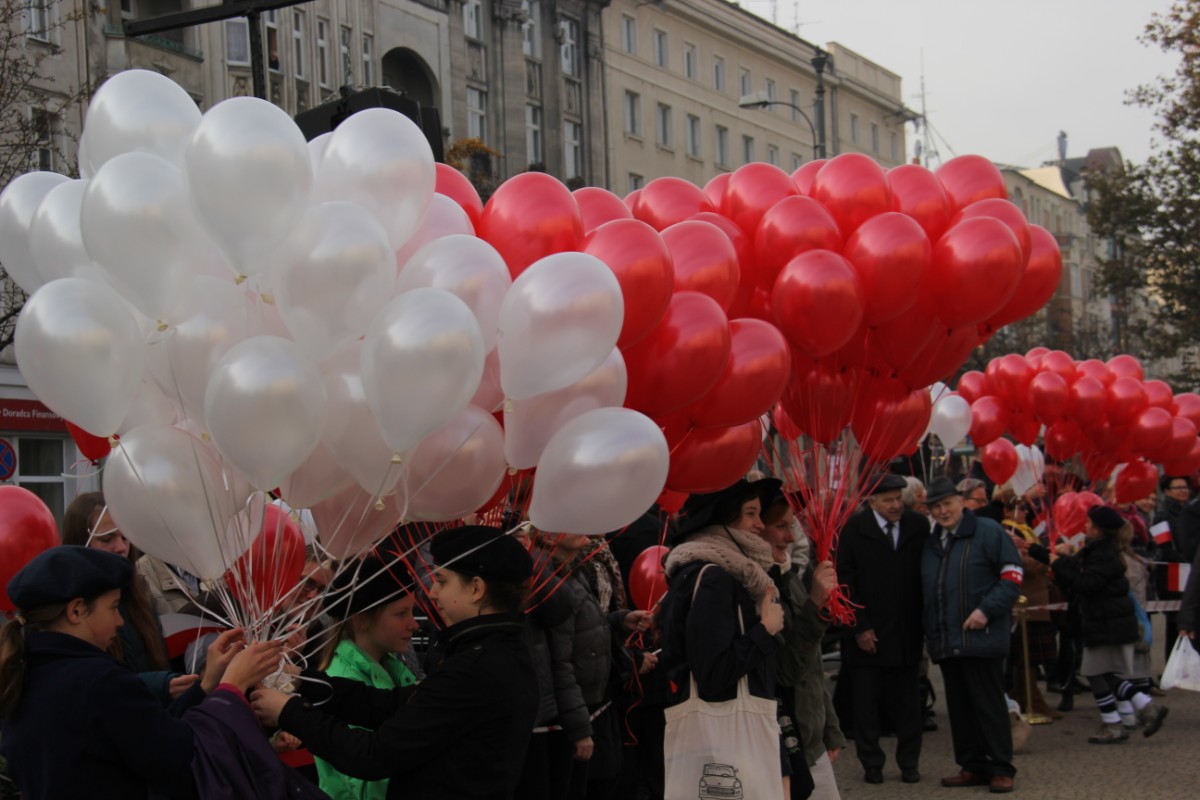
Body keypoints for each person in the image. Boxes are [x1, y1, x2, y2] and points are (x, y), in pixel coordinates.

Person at [252, 525, 539, 800]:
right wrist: (304, 680)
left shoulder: (478, 668)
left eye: (441, 581)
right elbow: (392, 704)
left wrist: (289, 711)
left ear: (476, 589)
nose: (433, 593)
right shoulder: (498, 652)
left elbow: (375, 754)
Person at [0, 546, 287, 799]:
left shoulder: (28, 671)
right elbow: (182, 761)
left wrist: (207, 686)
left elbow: (149, 735)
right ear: (76, 611)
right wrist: (231, 690)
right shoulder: (98, 681)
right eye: (113, 608)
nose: (119, 621)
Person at [658, 479, 790, 795]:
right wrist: (765, 631)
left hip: (725, 732)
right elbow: (713, 672)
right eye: (750, 514)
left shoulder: (723, 572)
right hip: (726, 732)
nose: (760, 524)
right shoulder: (713, 578)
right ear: (722, 521)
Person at [921, 476, 1022, 794]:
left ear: (961, 502)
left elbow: (1011, 576)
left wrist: (985, 611)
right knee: (960, 709)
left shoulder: (989, 531)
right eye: (936, 506)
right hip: (948, 640)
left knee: (989, 706)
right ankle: (972, 766)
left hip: (983, 636)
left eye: (948, 503)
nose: (943, 511)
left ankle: (1001, 768)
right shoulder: (932, 541)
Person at [836, 473, 929, 785]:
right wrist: (859, 627)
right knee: (867, 706)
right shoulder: (853, 531)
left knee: (908, 705)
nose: (895, 505)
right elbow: (844, 582)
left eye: (898, 498)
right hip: (868, 635)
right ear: (871, 501)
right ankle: (871, 763)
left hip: (906, 633)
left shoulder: (917, 526)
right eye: (887, 499)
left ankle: (909, 762)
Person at [1051, 505, 1168, 744]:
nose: (1084, 526)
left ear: (1098, 529)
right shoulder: (1100, 550)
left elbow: (1086, 584)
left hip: (1106, 623)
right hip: (1106, 621)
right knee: (1104, 674)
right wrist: (1045, 554)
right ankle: (1142, 708)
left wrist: (1057, 564)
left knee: (1095, 673)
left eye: (1088, 523)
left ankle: (1116, 721)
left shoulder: (1103, 554)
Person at [60, 492, 191, 704]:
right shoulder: (64, 610)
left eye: (125, 537)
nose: (121, 547)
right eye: (107, 538)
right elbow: (82, 687)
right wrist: (158, 684)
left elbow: (159, 667)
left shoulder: (139, 596)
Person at [757, 486, 843, 800]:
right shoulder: (759, 590)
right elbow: (786, 672)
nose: (791, 537)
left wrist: (829, 726)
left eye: (791, 526)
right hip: (786, 744)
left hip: (811, 743)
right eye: (781, 526)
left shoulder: (787, 575)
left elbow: (812, 664)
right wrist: (816, 606)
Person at [312, 556, 420, 800]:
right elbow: (367, 784)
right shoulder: (343, 680)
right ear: (362, 619)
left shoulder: (391, 666)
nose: (414, 624)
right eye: (401, 613)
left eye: (412, 611)